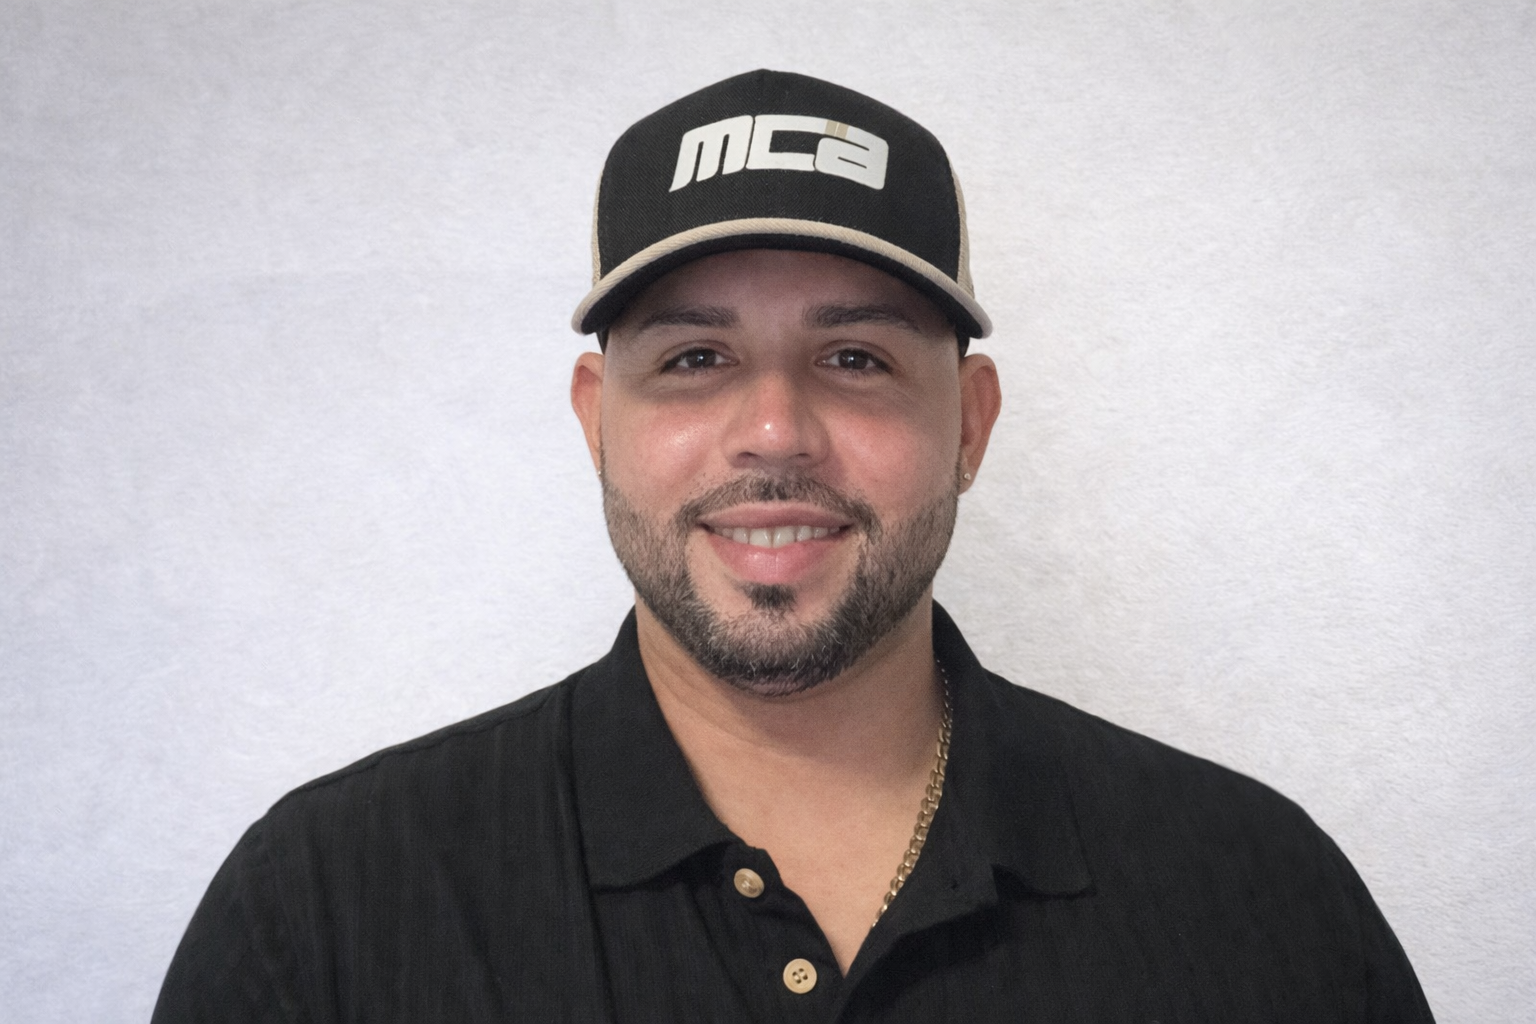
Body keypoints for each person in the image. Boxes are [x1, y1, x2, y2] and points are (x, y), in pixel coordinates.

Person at [153, 69, 1434, 1022]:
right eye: (695, 358)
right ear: (598, 421)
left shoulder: (1258, 897)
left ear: (969, 424)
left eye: (855, 357)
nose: (775, 430)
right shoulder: (327, 912)